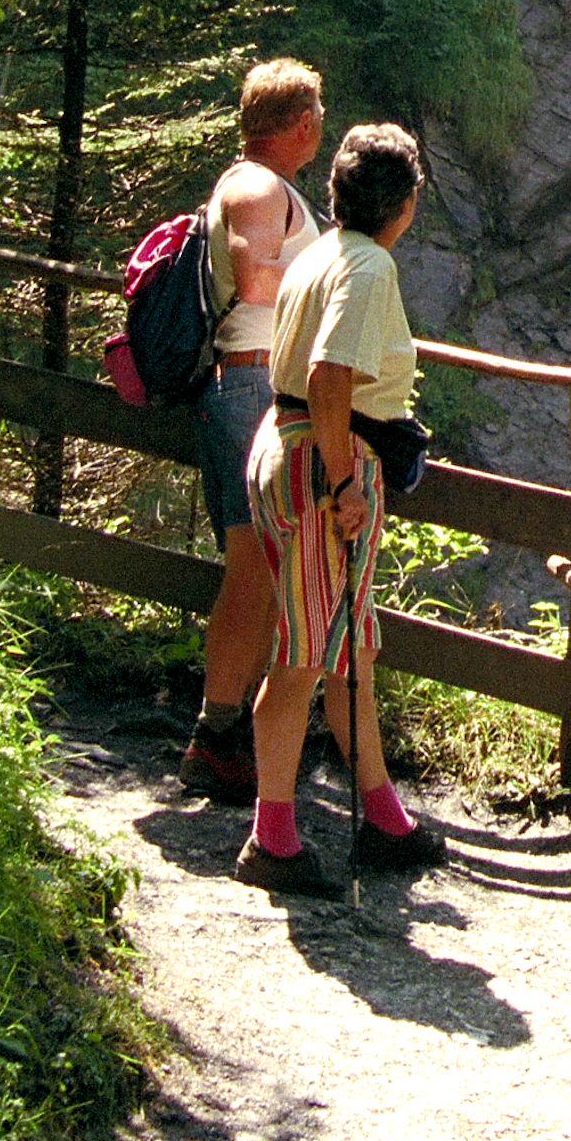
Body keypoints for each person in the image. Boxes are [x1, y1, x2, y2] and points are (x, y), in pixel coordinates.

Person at [236, 118, 440, 895]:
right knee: (299, 659)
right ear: (406, 204)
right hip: (326, 463)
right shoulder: (368, 269)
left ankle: (386, 819)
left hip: (283, 446)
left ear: (338, 189)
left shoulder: (319, 251)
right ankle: (273, 840)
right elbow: (329, 375)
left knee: (346, 646)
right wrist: (345, 481)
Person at [177, 58, 326, 800]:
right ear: (303, 123)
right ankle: (216, 734)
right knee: (252, 570)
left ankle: (229, 735)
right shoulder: (257, 187)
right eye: (318, 118)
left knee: (263, 570)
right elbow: (257, 274)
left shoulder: (258, 185)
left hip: (259, 382)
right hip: (253, 382)